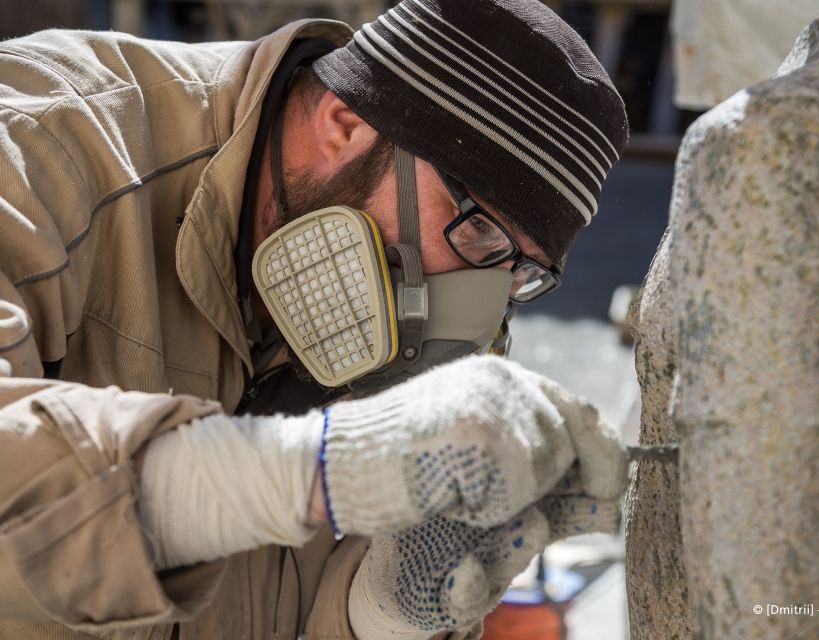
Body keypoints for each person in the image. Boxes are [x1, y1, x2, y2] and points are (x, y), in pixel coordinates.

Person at [0, 1, 630, 638]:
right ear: (345, 125)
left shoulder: (399, 303)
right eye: (480, 231)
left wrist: (385, 611)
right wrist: (314, 472)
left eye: (518, 271)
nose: (475, 303)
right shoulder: (39, 144)